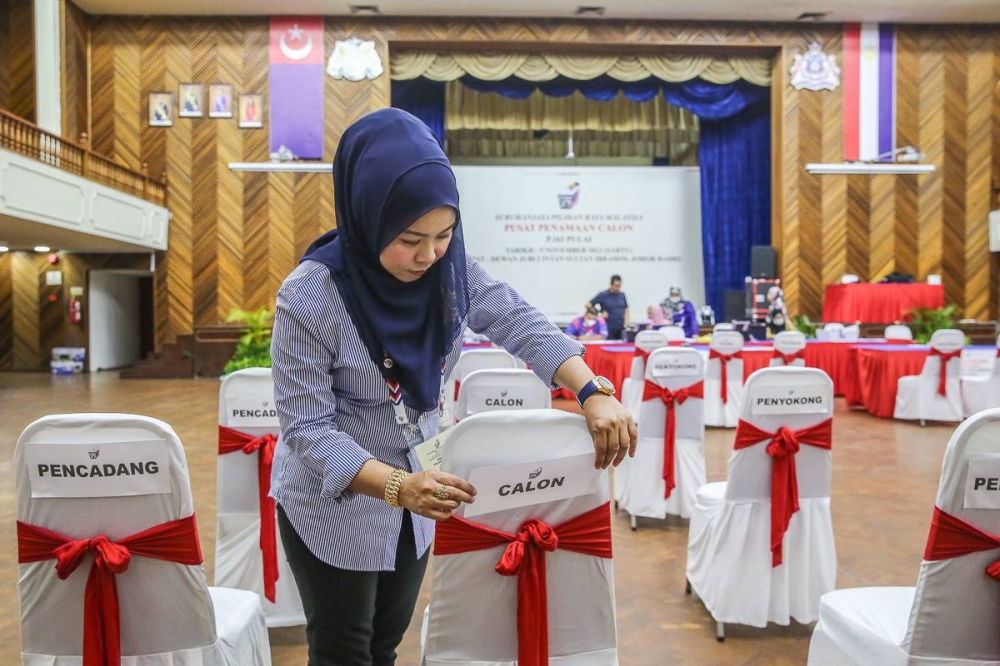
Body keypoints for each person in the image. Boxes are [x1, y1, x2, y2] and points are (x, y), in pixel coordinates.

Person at [269, 108, 637, 666]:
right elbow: (308, 429)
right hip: (333, 502)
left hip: (421, 491)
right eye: (410, 239)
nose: (428, 255)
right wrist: (395, 486)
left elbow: (519, 322)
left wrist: (592, 391)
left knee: (386, 642)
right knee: (344, 649)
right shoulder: (310, 297)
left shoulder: (449, 272)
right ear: (367, 217)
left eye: (444, 235)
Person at [587, 275, 629, 340]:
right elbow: (588, 305)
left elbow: (626, 309)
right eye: (616, 286)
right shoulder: (603, 295)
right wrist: (599, 313)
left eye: (619, 286)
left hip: (621, 328)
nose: (618, 288)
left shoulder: (622, 295)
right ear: (611, 284)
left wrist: (627, 322)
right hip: (608, 328)